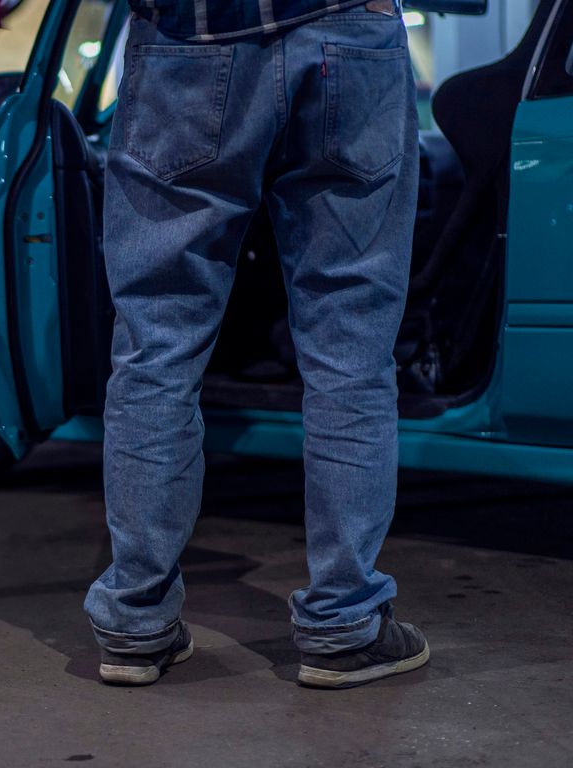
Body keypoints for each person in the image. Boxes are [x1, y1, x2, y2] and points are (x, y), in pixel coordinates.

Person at [85, 0, 429, 688]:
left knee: (158, 345)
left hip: (190, 38)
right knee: (350, 347)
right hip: (349, 31)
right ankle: (344, 624)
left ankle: (135, 621)